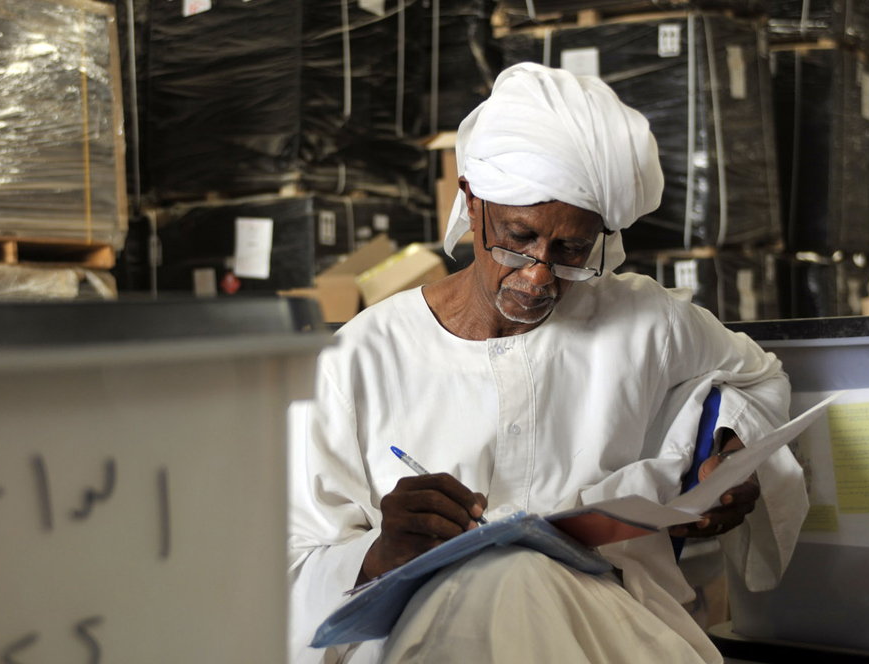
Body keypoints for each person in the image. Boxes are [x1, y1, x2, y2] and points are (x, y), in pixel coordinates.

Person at [288, 63, 807, 664]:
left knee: (514, 580)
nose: (538, 276)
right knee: (495, 583)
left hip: (606, 625)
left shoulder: (643, 321)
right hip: (418, 636)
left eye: (570, 250)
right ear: (469, 201)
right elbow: (287, 573)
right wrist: (380, 553)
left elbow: (761, 378)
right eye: (518, 237)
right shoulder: (360, 359)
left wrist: (727, 455)